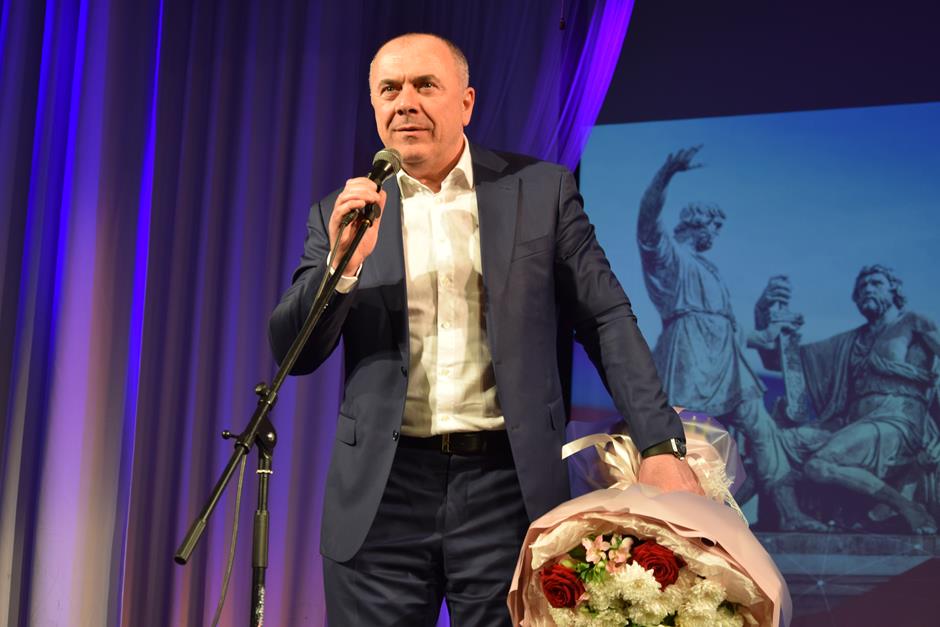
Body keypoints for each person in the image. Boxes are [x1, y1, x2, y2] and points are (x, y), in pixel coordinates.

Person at [269, 33, 702, 627]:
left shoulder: (540, 192)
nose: (405, 102)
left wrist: (659, 445)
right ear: (374, 106)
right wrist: (342, 268)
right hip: (381, 495)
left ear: (466, 103)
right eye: (389, 90)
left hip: (507, 488)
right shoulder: (342, 212)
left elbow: (605, 317)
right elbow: (293, 353)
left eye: (425, 85)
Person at [636, 145, 826, 531]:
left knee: (763, 429)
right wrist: (667, 173)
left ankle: (789, 511)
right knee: (687, 438)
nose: (717, 233)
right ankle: (680, 520)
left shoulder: (709, 269)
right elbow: (648, 220)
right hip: (690, 358)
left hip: (729, 364)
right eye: (714, 226)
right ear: (696, 224)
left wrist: (768, 331)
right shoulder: (670, 257)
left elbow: (732, 328)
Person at [755, 265, 940, 534]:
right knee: (776, 442)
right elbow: (778, 361)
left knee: (820, 465)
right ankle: (789, 516)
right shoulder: (850, 341)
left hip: (897, 422)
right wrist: (765, 315)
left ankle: (907, 507)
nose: (867, 289)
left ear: (894, 291)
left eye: (876, 283)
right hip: (851, 423)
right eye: (862, 286)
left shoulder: (914, 322)